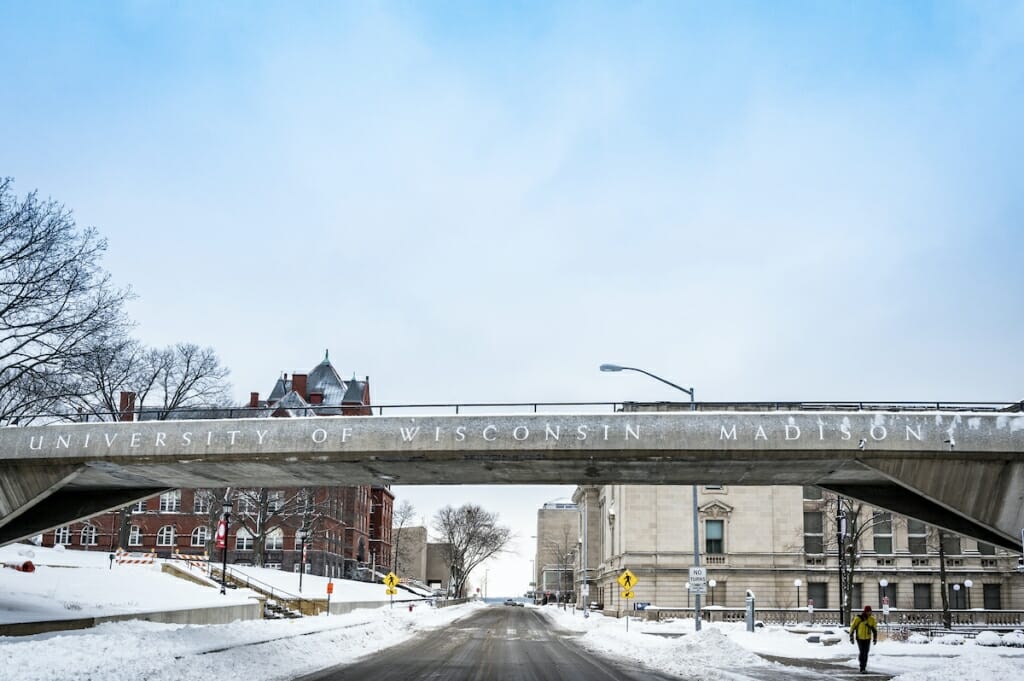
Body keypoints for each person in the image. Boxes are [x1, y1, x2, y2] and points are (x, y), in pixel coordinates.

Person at [849, 605, 878, 673]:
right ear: (865, 611)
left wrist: (875, 639)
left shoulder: (872, 619)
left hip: (868, 638)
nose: (869, 613)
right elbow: (852, 627)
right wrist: (851, 637)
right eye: (868, 611)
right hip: (860, 638)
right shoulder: (858, 618)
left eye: (870, 611)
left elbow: (874, 630)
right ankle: (862, 668)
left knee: (866, 652)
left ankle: (864, 667)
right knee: (862, 652)